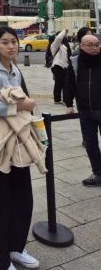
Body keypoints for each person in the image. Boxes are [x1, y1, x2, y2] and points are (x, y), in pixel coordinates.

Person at [0, 26, 39, 270]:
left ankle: (17, 247)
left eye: (14, 41)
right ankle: (3, 258)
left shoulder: (15, 69)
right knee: (1, 203)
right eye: (5, 42)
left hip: (19, 143)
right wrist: (19, 107)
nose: (11, 46)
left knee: (24, 199)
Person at [65, 33, 101, 186]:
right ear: (81, 46)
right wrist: (68, 104)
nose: (95, 48)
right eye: (90, 45)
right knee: (90, 143)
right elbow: (69, 83)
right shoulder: (75, 62)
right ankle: (98, 173)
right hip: (85, 110)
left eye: (97, 44)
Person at [48, 29, 71, 103]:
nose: (65, 37)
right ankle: (65, 100)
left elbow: (67, 56)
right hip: (57, 66)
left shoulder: (64, 45)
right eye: (65, 36)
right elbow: (58, 38)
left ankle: (57, 99)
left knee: (59, 83)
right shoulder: (55, 45)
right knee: (64, 83)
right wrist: (64, 31)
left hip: (64, 66)